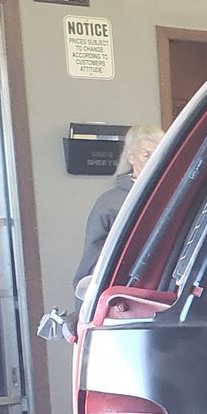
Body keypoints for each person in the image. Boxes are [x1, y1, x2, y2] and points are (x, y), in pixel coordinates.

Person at [74, 125, 162, 301]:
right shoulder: (109, 204)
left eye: (159, 154)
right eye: (147, 155)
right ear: (131, 156)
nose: (154, 161)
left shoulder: (174, 196)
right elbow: (92, 261)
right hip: (123, 297)